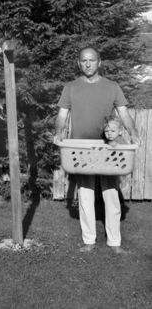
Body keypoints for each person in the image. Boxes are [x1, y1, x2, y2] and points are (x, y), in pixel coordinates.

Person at [54, 46, 139, 254]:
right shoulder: (70, 87)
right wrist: (58, 132)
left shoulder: (112, 87)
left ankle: (115, 242)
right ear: (79, 63)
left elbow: (124, 114)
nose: (88, 64)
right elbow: (62, 116)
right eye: (84, 60)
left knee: (111, 194)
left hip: (108, 148)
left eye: (92, 60)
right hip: (81, 150)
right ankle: (89, 240)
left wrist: (133, 132)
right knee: (85, 195)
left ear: (99, 62)